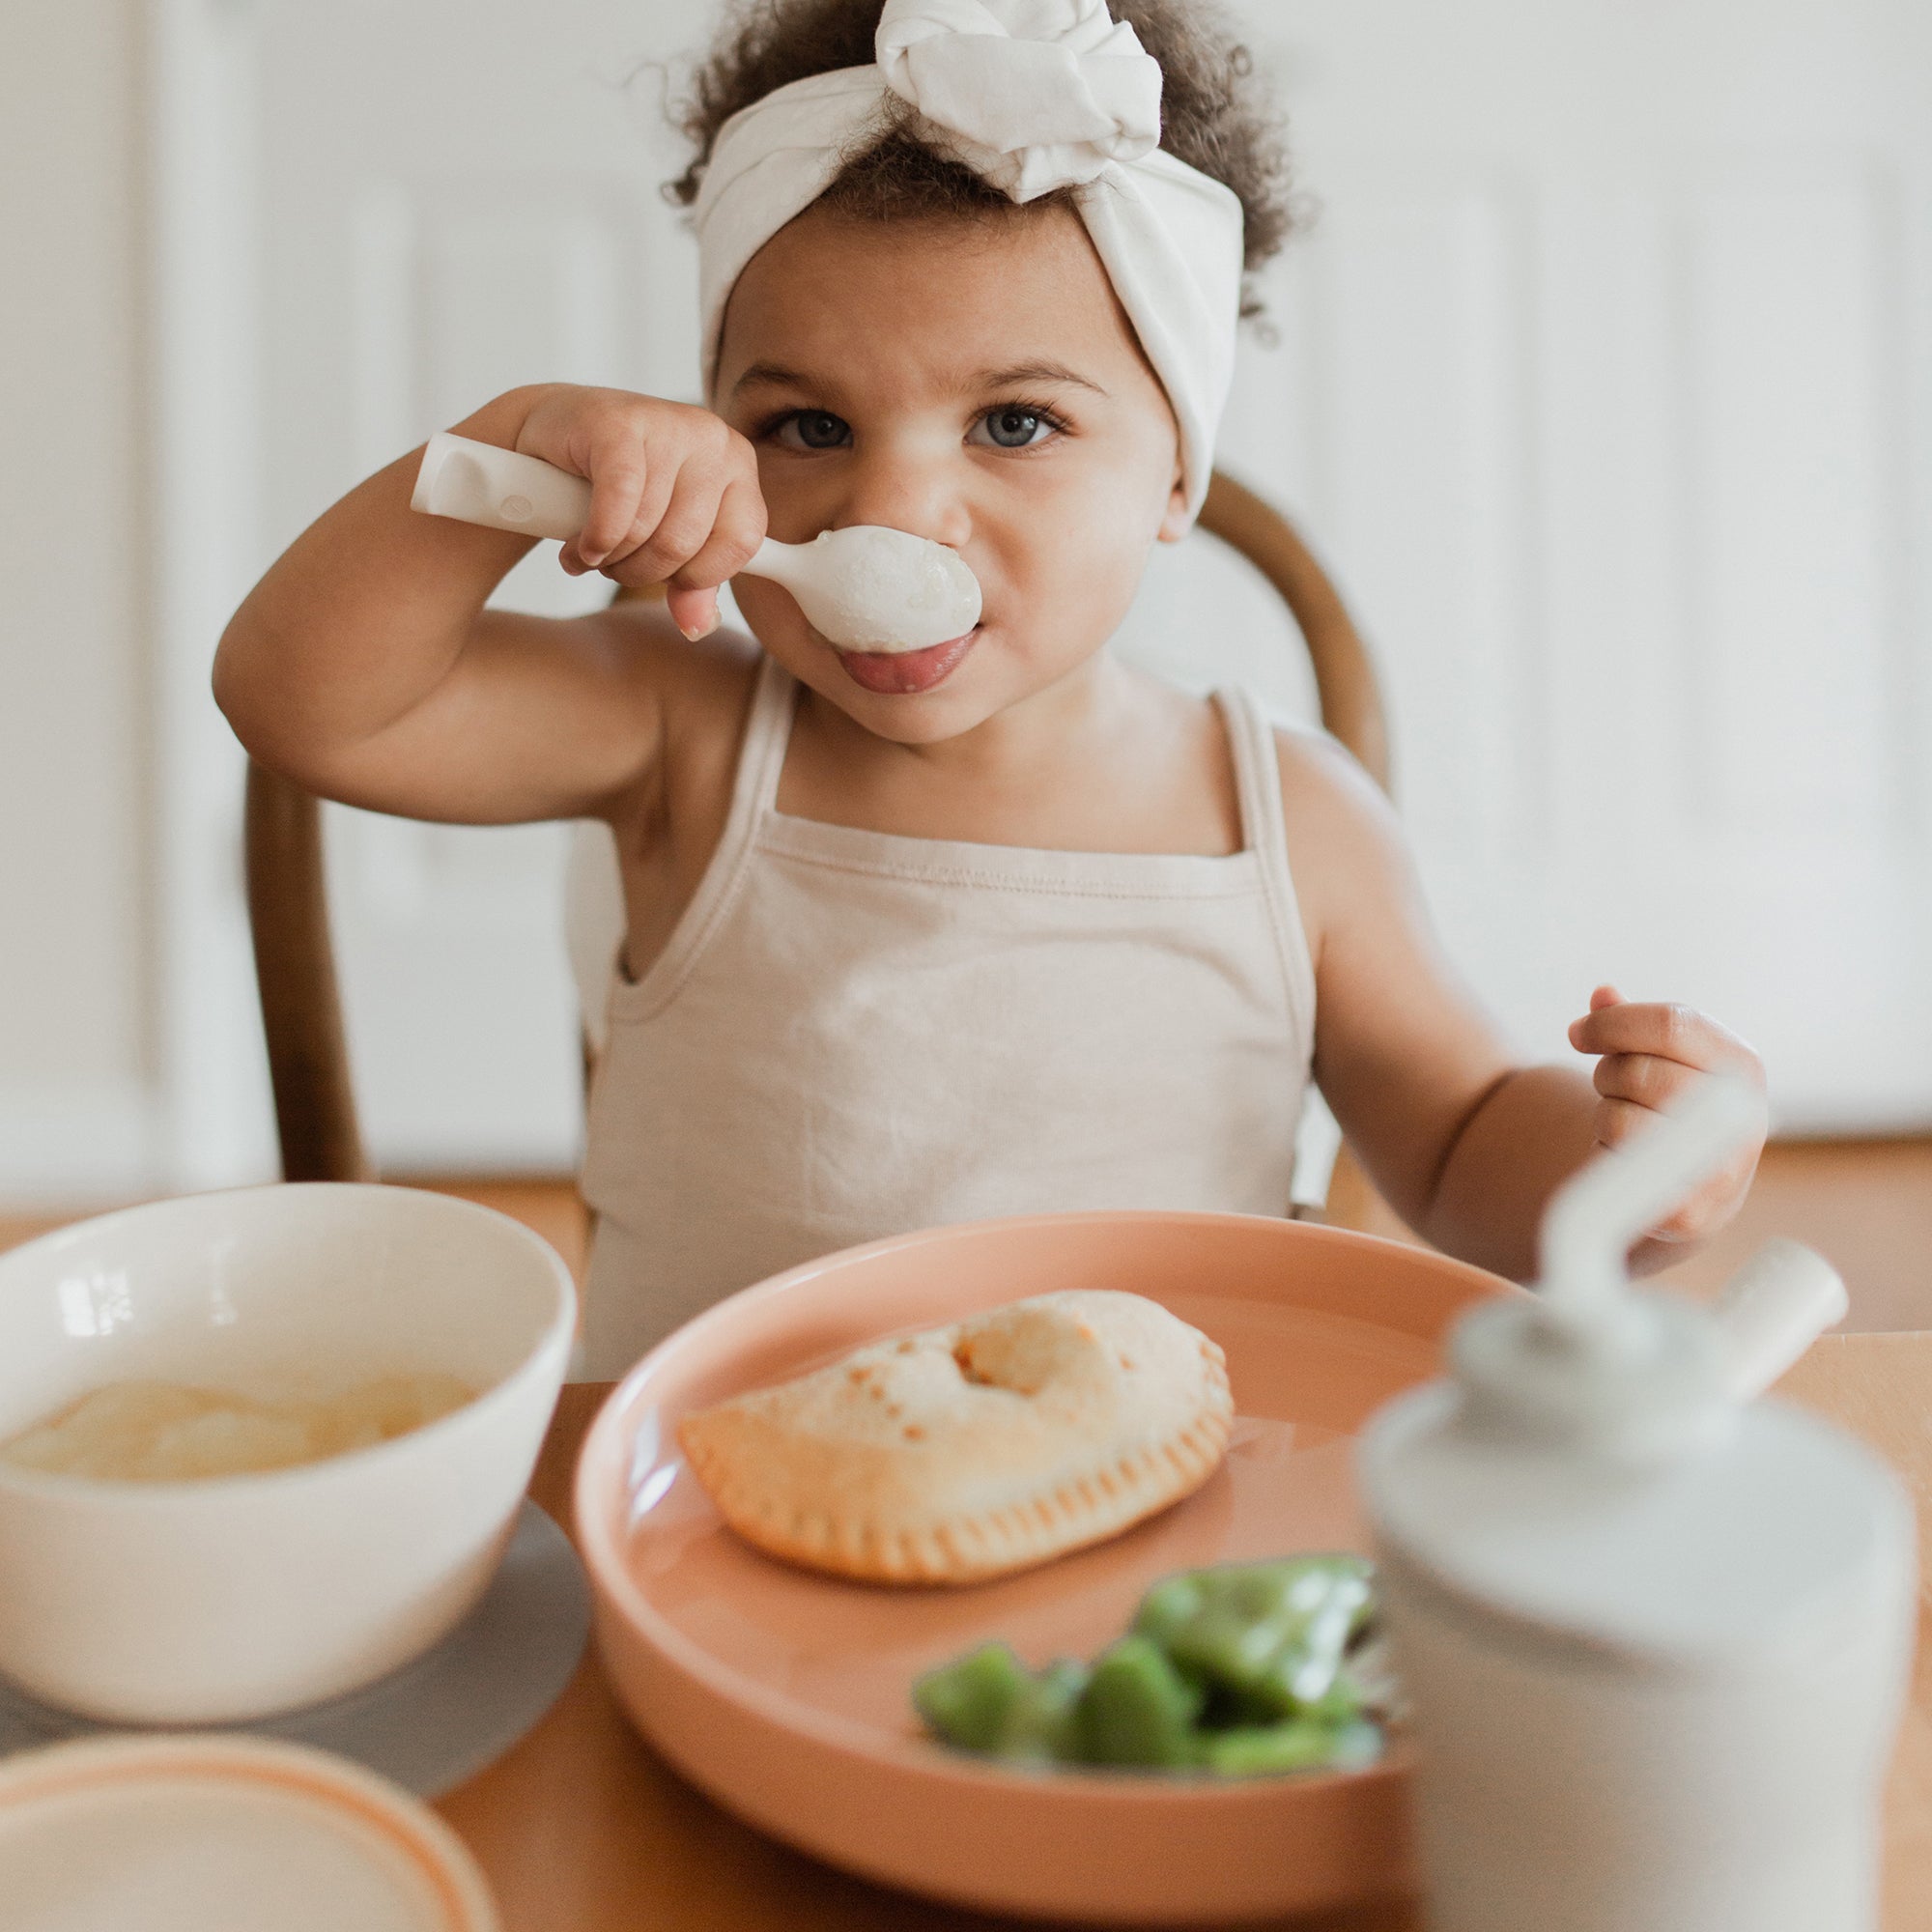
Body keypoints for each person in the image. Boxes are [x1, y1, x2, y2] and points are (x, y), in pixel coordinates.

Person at [215, 0, 1766, 1377]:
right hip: (708, 1526)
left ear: (1174, 475)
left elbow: (1463, 1136)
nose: (892, 514)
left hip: (1146, 1531)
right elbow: (311, 703)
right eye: (806, 427)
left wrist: (1634, 1173)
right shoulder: (680, 727)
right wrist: (513, 452)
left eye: (1014, 426)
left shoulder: (1284, 818)